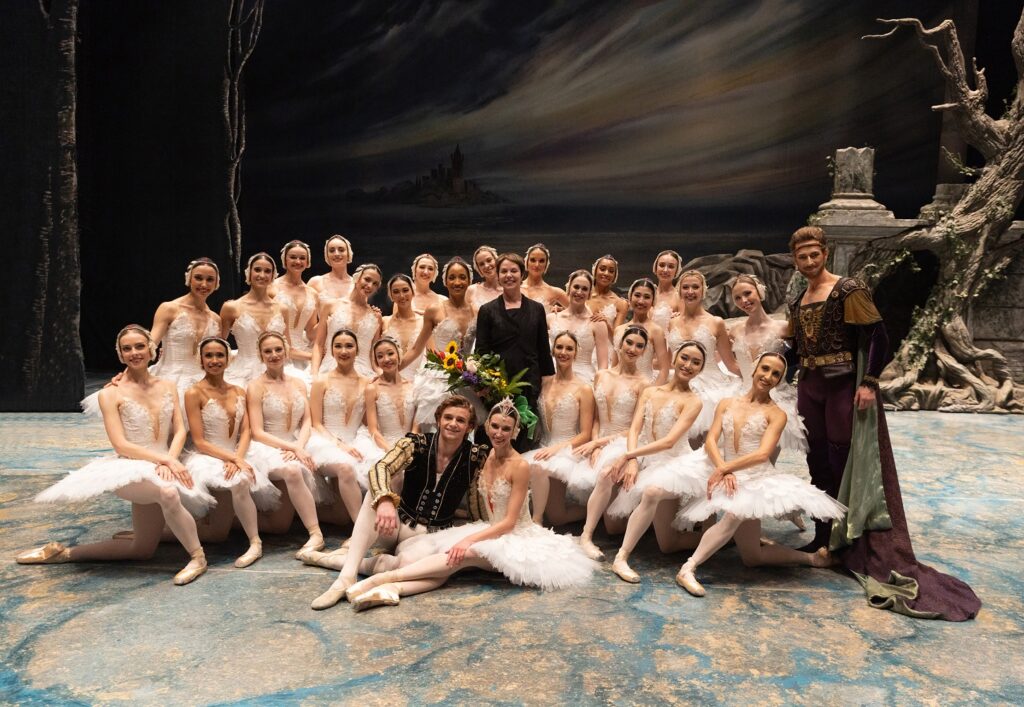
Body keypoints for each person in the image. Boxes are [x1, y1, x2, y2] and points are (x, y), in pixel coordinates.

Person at [786, 226, 980, 621]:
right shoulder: (798, 299)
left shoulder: (848, 288)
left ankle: (850, 542)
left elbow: (878, 336)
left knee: (843, 459)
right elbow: (795, 348)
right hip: (810, 385)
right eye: (801, 257)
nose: (809, 262)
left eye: (814, 255)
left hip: (842, 384)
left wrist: (870, 381)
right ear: (795, 260)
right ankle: (823, 538)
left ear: (825, 253)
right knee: (816, 463)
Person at [342, 399, 595, 611]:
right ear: (486, 426)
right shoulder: (484, 457)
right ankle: (393, 589)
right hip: (489, 527)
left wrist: (468, 540)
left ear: (515, 431)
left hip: (514, 536)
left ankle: (381, 579)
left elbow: (508, 522)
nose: (498, 433)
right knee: (446, 563)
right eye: (494, 426)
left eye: (506, 429)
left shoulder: (520, 465)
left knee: (462, 554)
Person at [20, 325, 212, 585]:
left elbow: (179, 429)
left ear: (151, 350)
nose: (134, 352)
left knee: (141, 550)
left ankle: (62, 553)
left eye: (139, 346)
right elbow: (121, 444)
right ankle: (197, 558)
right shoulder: (111, 394)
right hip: (132, 467)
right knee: (167, 492)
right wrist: (164, 460)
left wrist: (172, 458)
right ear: (120, 355)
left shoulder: (168, 386)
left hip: (165, 463)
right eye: (127, 349)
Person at [673, 352, 846, 597]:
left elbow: (763, 454)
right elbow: (711, 440)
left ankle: (688, 568)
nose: (768, 377)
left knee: (741, 532)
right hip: (729, 472)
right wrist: (723, 467)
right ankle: (812, 559)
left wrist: (726, 469)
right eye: (765, 369)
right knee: (751, 553)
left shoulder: (776, 414)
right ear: (754, 368)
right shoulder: (726, 403)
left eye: (776, 374)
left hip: (756, 478)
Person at [305, 396, 488, 610]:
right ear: (438, 419)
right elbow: (380, 468)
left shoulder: (475, 458)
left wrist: (482, 534)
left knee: (395, 566)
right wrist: (385, 500)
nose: (453, 424)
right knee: (372, 497)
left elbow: (477, 501)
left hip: (430, 536)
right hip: (395, 523)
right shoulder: (414, 444)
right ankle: (345, 578)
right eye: (448, 417)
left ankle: (326, 560)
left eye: (460, 420)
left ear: (470, 427)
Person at [604, 341, 712, 582]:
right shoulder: (651, 391)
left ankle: (621, 558)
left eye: (696, 363)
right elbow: (634, 429)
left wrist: (628, 455)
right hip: (644, 457)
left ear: (700, 370)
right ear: (674, 359)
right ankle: (726, 538)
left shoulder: (694, 401)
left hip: (674, 464)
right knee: (666, 544)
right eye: (685, 358)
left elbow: (669, 442)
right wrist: (632, 459)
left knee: (651, 492)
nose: (688, 365)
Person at [183, 336, 276, 568]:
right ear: (201, 360)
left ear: (227, 359)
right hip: (208, 455)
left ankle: (255, 543)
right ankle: (254, 541)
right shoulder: (194, 393)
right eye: (209, 356)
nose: (214, 360)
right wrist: (232, 458)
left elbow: (246, 431)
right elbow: (199, 441)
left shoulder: (239, 391)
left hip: (237, 453)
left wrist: (239, 457)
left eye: (219, 355)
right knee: (238, 484)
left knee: (238, 487)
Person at [572, 326, 650, 560]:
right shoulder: (601, 375)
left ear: (644, 351)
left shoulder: (644, 384)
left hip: (626, 442)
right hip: (601, 438)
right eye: (629, 343)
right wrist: (595, 442)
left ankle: (586, 536)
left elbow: (637, 427)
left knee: (607, 473)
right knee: (613, 524)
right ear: (619, 343)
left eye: (639, 346)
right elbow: (595, 417)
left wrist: (602, 443)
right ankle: (587, 533)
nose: (633, 349)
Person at [245, 332, 324, 557]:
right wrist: (292, 449)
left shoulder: (299, 383)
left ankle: (232, 520)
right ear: (261, 356)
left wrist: (299, 445)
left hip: (295, 441)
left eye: (278, 349)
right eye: (268, 351)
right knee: (292, 470)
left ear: (286, 351)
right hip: (268, 445)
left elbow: (307, 420)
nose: (274, 355)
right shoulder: (256, 386)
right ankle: (315, 533)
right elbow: (257, 432)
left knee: (280, 526)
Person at [475, 252, 554, 452]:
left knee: (525, 440)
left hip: (529, 385)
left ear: (521, 273)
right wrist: (485, 386)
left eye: (513, 271)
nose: (509, 275)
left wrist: (546, 387)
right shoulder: (487, 310)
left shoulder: (536, 309)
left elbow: (544, 351)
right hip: (498, 386)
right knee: (495, 439)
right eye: (504, 271)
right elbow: (481, 352)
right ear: (498, 275)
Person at [307, 329, 381, 525]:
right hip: (324, 441)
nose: (343, 351)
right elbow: (315, 423)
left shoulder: (367, 383)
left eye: (349, 346)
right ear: (331, 351)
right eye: (338, 346)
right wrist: (338, 444)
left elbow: (367, 422)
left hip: (355, 440)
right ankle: (362, 529)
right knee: (346, 467)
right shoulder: (321, 381)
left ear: (358, 350)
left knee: (340, 517)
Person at [522, 331, 595, 526]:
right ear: (553, 351)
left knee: (555, 517)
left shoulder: (584, 389)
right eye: (559, 347)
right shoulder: (544, 382)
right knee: (556, 515)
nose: (564, 352)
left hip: (567, 450)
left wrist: (557, 449)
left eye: (569, 348)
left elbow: (586, 434)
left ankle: (599, 510)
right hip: (543, 446)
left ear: (576, 353)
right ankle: (533, 519)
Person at [729, 274, 807, 454]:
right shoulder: (734, 330)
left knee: (765, 456)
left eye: (748, 293)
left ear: (760, 291)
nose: (744, 300)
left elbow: (800, 356)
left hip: (775, 396)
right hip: (741, 394)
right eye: (737, 298)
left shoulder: (783, 328)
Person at [401, 257, 479, 430]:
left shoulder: (477, 311)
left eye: (462, 277)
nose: (457, 282)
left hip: (467, 378)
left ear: (469, 280)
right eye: (452, 277)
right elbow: (416, 348)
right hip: (438, 378)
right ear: (445, 281)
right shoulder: (434, 310)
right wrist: (391, 370)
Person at [667, 269, 741, 438]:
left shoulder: (716, 322)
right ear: (679, 291)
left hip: (712, 387)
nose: (690, 292)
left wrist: (753, 378)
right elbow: (668, 360)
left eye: (695, 287)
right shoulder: (671, 323)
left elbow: (730, 363)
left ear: (703, 290)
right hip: (678, 382)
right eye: (685, 287)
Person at [148, 258, 222, 393]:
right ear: (189, 279)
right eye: (198, 278)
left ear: (217, 283)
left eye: (210, 279)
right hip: (169, 377)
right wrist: (128, 373)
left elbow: (217, 354)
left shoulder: (216, 319)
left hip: (204, 380)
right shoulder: (169, 308)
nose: (204, 284)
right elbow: (150, 346)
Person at [221, 253, 292, 387]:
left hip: (277, 367)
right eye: (257, 270)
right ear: (249, 272)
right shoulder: (232, 307)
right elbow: (219, 345)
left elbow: (288, 346)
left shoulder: (282, 309)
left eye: (267, 271)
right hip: (242, 372)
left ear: (273, 275)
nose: (262, 275)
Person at [311, 263, 383, 378]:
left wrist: (381, 374)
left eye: (375, 284)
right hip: (331, 367)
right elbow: (318, 345)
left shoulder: (376, 316)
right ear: (356, 278)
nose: (370, 285)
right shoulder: (331, 306)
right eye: (367, 279)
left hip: (365, 373)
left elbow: (372, 355)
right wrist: (314, 374)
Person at [547, 270, 610, 383]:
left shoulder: (598, 323)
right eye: (576, 287)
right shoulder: (551, 318)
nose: (579, 292)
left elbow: (603, 366)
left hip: (583, 380)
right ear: (569, 288)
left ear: (590, 293)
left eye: (585, 289)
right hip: (552, 376)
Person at [611, 278, 670, 385]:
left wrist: (651, 393)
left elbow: (664, 370)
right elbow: (614, 366)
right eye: (637, 295)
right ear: (630, 297)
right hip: (618, 385)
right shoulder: (619, 330)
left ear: (653, 301)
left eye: (646, 297)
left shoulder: (656, 331)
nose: (641, 301)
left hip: (645, 386)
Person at [273, 240, 318, 371]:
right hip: (278, 350)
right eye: (293, 257)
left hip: (303, 351)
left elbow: (310, 332)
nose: (298, 261)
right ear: (285, 260)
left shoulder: (312, 293)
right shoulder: (272, 287)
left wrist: (329, 319)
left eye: (302, 258)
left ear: (308, 262)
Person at [365, 337, 416, 449]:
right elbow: (373, 430)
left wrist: (411, 448)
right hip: (384, 448)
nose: (386, 359)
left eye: (390, 353)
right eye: (380, 356)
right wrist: (393, 454)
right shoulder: (372, 389)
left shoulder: (413, 387)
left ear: (399, 354)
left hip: (412, 447)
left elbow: (416, 428)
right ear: (376, 361)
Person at [382, 274, 424, 380]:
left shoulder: (424, 321)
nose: (401, 296)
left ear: (413, 292)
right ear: (390, 296)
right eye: (396, 292)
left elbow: (433, 354)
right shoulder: (384, 321)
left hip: (420, 377)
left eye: (405, 290)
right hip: (390, 377)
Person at [522, 243, 570, 312]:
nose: (537, 265)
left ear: (546, 264)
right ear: (526, 262)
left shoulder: (554, 292)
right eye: (533, 260)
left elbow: (579, 311)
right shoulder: (516, 289)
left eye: (541, 261)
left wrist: (561, 311)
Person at [308, 234, 355, 304]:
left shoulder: (357, 285)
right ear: (327, 256)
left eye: (341, 250)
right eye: (332, 250)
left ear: (348, 254)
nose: (336, 254)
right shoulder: (315, 282)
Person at [589, 254, 628, 335]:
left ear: (614, 276)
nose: (606, 273)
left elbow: (617, 337)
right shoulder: (583, 295)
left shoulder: (620, 303)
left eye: (611, 271)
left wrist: (606, 323)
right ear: (595, 271)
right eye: (602, 269)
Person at [651, 249, 683, 332]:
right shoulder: (648, 293)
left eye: (671, 267)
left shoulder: (679, 297)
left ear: (676, 271)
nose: (665, 270)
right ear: (655, 267)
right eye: (662, 265)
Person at [466, 244, 501, 309]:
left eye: (489, 260)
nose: (486, 266)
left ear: (496, 260)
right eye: (481, 264)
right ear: (478, 269)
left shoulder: (510, 288)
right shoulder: (472, 290)